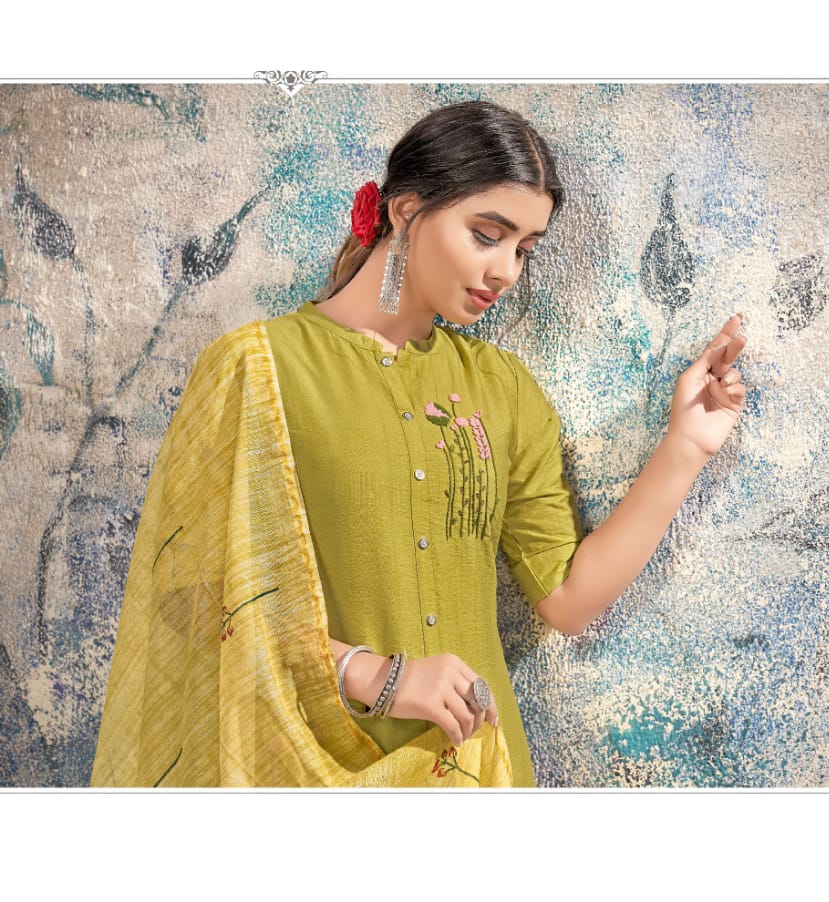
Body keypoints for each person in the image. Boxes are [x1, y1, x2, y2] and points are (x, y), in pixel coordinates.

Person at [90, 100, 747, 787]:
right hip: (307, 773)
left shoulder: (501, 388)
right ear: (405, 211)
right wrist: (368, 673)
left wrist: (685, 449)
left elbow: (569, 600)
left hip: (477, 773)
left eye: (524, 249)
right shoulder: (257, 369)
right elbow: (188, 599)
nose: (506, 270)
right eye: (487, 235)